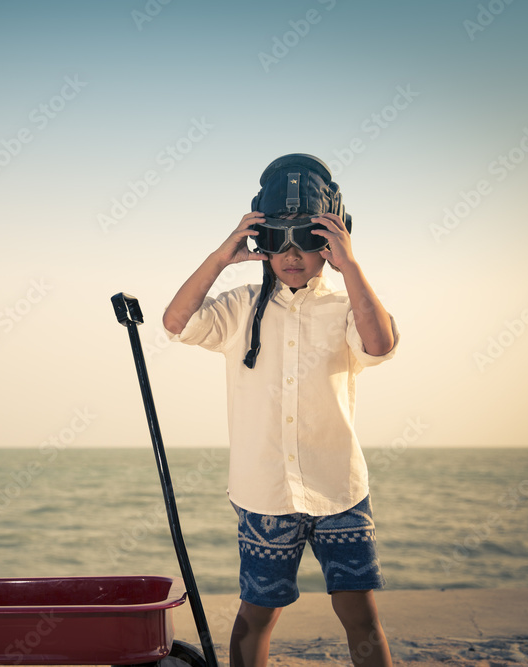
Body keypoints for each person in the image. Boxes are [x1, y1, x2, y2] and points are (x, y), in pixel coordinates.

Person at [162, 154, 398, 667]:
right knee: (257, 614)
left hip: (338, 488)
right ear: (261, 240)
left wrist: (351, 267)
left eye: (307, 238)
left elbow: (379, 344)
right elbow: (176, 322)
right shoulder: (241, 306)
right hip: (263, 491)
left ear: (331, 240)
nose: (292, 253)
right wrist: (222, 256)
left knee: (360, 615)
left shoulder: (347, 306)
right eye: (278, 238)